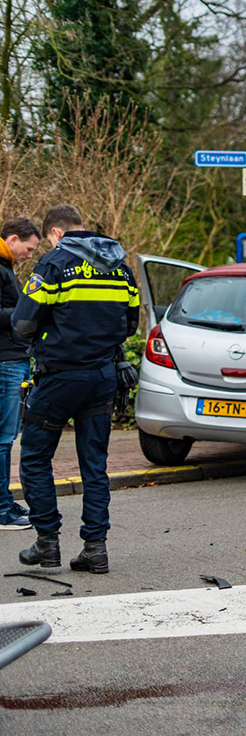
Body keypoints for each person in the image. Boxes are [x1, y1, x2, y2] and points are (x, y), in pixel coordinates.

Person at [13, 205, 139, 574]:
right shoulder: (120, 265)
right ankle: (95, 549)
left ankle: (47, 543)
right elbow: (130, 324)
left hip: (59, 377)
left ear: (54, 233)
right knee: (94, 465)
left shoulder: (54, 264)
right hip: (102, 376)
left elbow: (22, 323)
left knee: (35, 458)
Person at [0, 217, 41, 530]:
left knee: (6, 437)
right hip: (6, 361)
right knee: (3, 439)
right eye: (29, 248)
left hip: (11, 359)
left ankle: (5, 500)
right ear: (13, 239)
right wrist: (25, 310)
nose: (30, 254)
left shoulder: (5, 266)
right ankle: (2, 510)